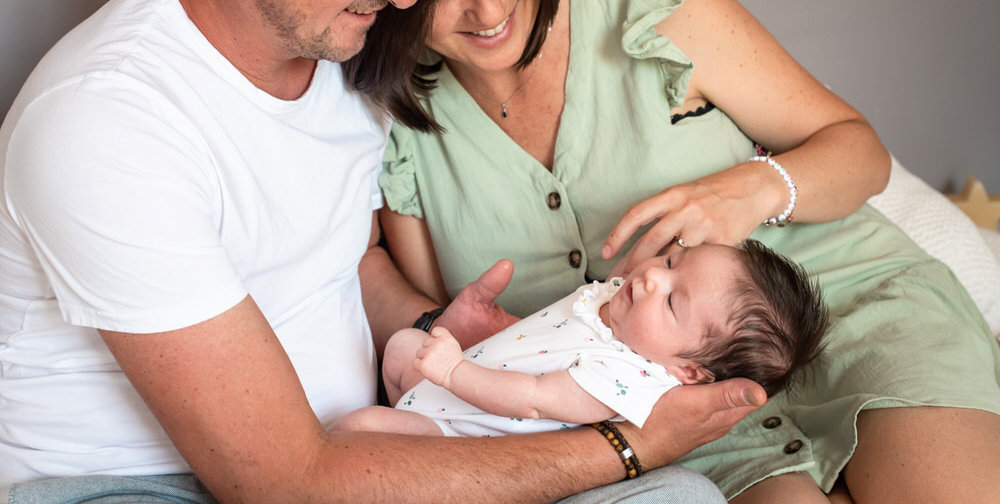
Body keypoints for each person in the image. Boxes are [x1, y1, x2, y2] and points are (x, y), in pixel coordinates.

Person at [0, 0, 766, 502]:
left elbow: (346, 254)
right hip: (143, 486)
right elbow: (284, 485)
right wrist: (628, 446)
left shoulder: (343, 49)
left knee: (681, 497)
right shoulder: (106, 124)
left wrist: (428, 325)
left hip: (358, 450)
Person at [372, 0, 1000, 501]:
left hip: (854, 311)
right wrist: (447, 332)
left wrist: (752, 190)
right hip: (669, 415)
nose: (491, 8)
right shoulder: (406, 122)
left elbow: (859, 152)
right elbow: (410, 296)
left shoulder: (648, 3)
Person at [336, 239, 828, 439]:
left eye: (674, 302)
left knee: (359, 427)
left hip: (457, 438)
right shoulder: (621, 304)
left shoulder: (624, 379)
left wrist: (454, 371)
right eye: (675, 262)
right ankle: (408, 405)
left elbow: (531, 400)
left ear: (689, 372)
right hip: (455, 388)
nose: (654, 278)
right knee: (402, 345)